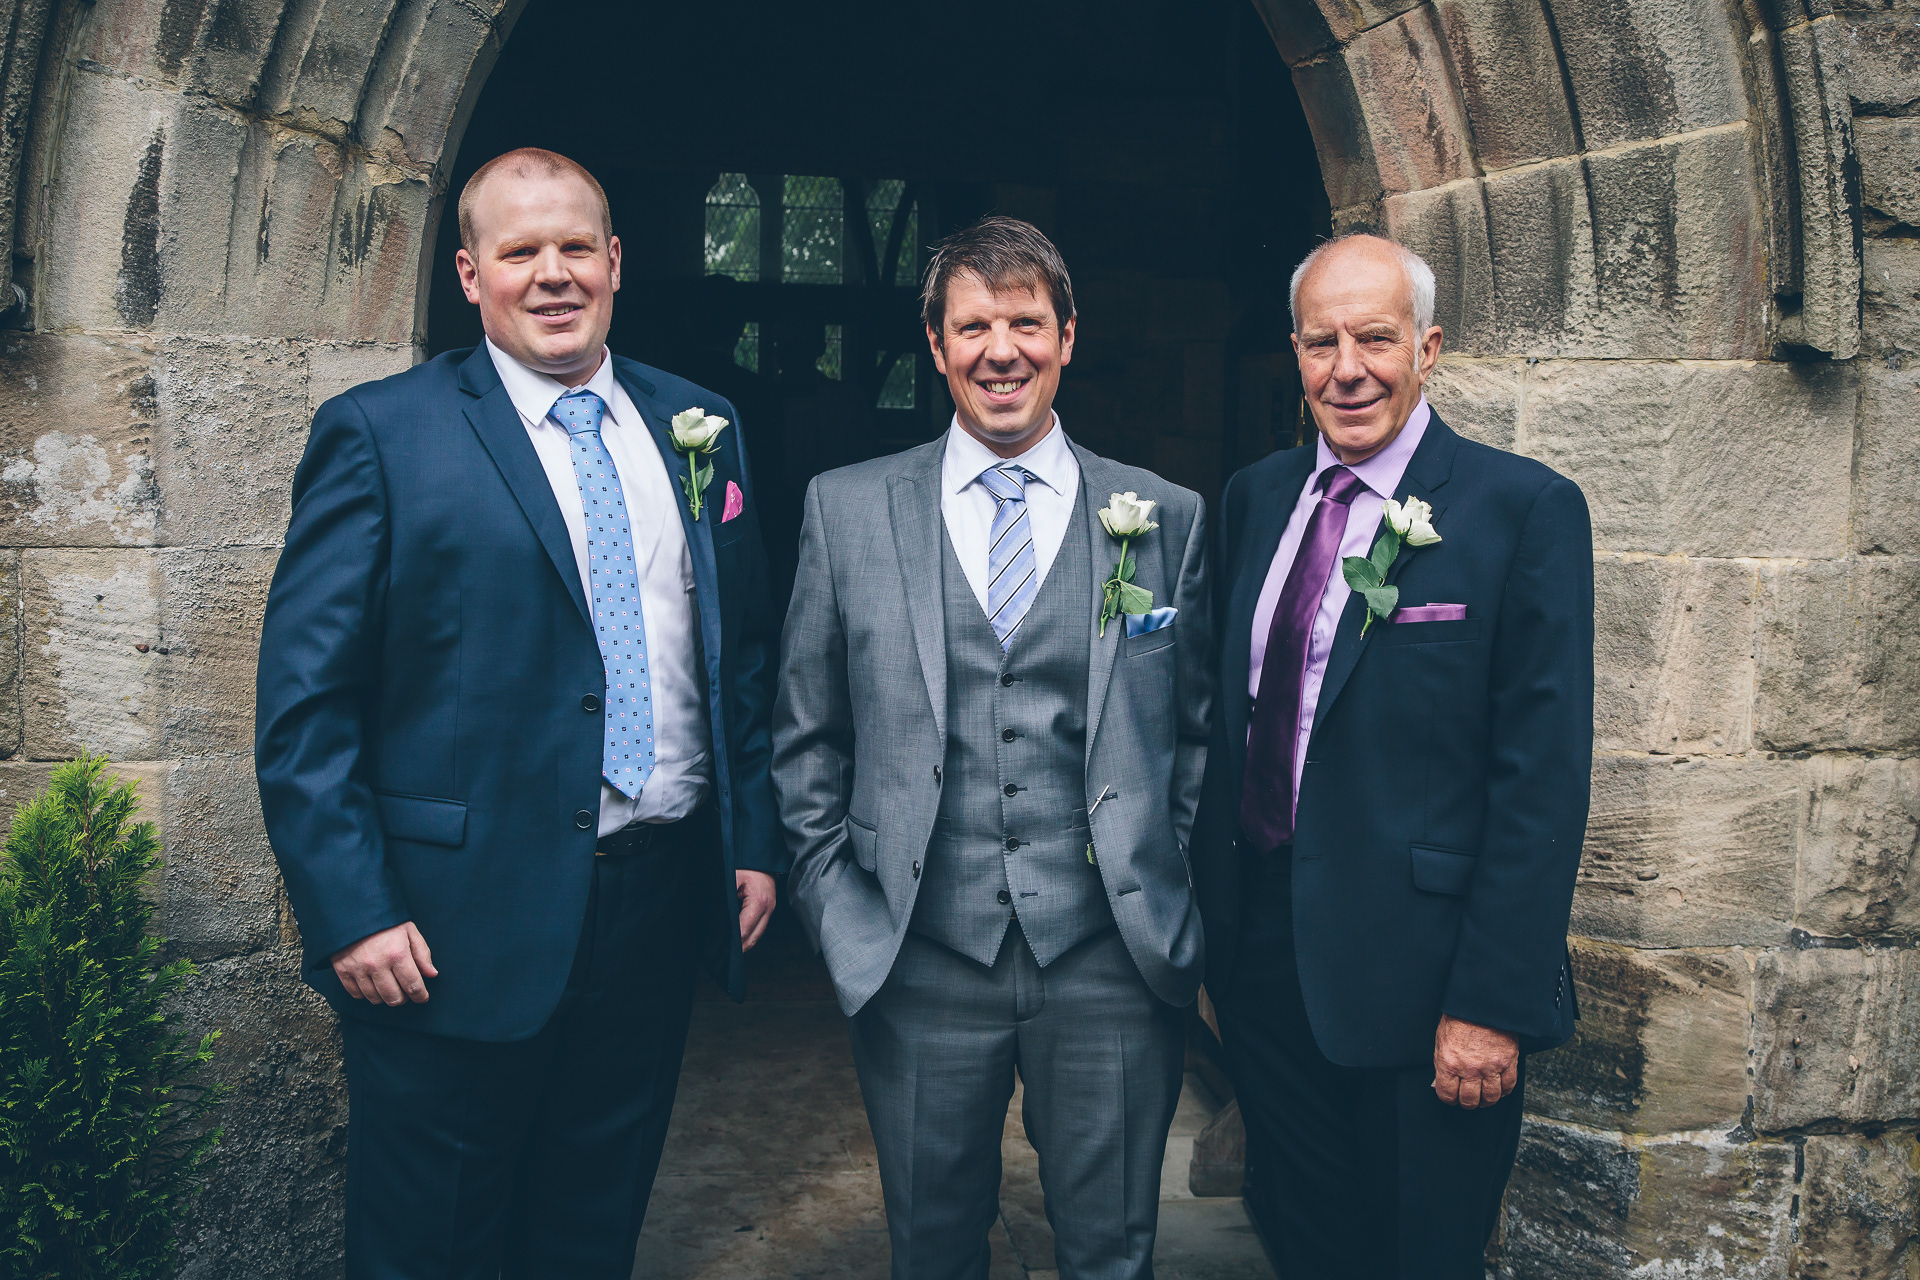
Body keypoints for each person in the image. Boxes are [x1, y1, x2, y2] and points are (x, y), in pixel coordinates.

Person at [254, 147, 786, 1278]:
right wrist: (351, 909)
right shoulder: (381, 435)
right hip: (447, 927)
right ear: (469, 274)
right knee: (432, 1244)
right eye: (520, 251)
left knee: (589, 1232)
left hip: (653, 901)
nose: (554, 274)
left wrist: (752, 843)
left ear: (616, 262)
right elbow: (307, 704)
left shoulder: (702, 426)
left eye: (575, 247)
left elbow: (735, 658)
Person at [772, 217, 1213, 1280]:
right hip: (919, 953)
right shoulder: (845, 510)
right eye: (973, 325)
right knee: (931, 1249)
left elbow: (1193, 738)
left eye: (1025, 322)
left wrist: (1161, 883)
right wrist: (844, 916)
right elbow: (804, 737)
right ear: (936, 343)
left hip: (1107, 958)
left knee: (1111, 1252)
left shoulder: (1160, 515)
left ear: (1068, 336)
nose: (999, 349)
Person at [1189, 233, 1594, 1279]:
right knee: (1305, 1245)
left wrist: (1492, 1000)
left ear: (1428, 347)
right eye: (1322, 342)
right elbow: (1226, 719)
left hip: (1431, 990)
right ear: (1294, 350)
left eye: (1375, 337)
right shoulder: (1254, 498)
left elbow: (1539, 774)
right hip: (1267, 971)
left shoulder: (1523, 511)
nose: (1348, 366)